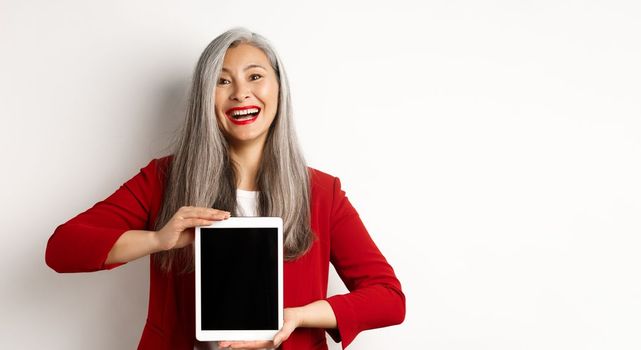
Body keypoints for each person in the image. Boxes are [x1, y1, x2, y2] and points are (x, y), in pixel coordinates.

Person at [45, 27, 405, 349]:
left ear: (278, 87)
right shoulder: (165, 179)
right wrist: (158, 239)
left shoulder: (321, 192)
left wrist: (298, 316)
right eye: (222, 81)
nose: (240, 94)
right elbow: (62, 248)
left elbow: (388, 298)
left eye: (255, 76)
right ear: (206, 98)